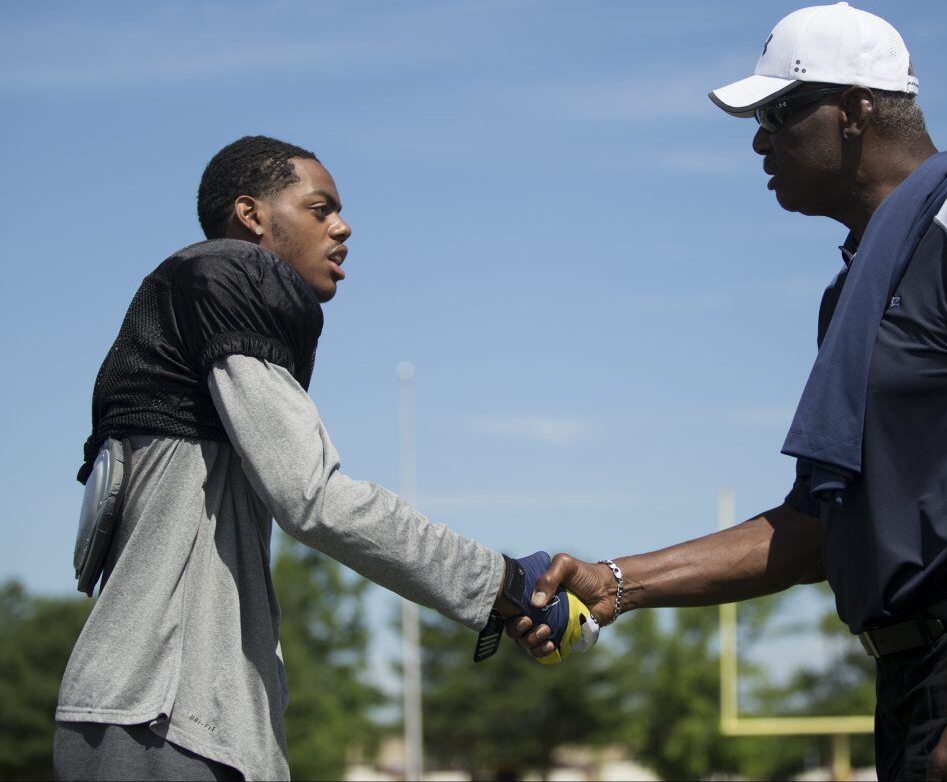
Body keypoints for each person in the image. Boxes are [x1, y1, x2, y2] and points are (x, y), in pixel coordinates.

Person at [511, 3, 947, 781]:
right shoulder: (860, 281)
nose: (759, 141)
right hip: (932, 670)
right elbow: (819, 529)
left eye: (780, 114)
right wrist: (618, 583)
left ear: (854, 111)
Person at [56, 136, 593, 781]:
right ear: (251, 216)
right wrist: (502, 582)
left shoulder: (177, 314)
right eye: (320, 208)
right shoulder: (227, 274)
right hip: (168, 719)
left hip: (135, 713)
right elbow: (311, 497)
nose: (342, 227)